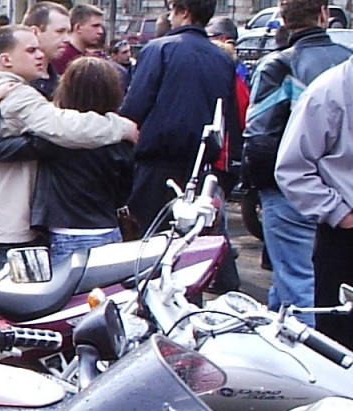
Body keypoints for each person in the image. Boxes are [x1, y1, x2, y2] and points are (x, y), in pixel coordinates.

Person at [0, 24, 137, 272]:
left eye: (39, 49)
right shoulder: (18, 95)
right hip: (11, 230)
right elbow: (63, 126)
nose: (41, 55)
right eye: (31, 50)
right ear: (6, 60)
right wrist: (121, 127)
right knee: (25, 297)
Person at [244, 0, 352, 323]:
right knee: (296, 285)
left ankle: (304, 351)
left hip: (292, 190)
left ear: (282, 18)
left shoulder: (277, 65)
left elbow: (259, 136)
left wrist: (259, 186)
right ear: (324, 14)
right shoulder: (344, 62)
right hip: (336, 196)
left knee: (299, 286)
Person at [0, 57, 133, 259]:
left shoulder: (55, 139)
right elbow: (124, 191)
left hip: (67, 231)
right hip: (108, 228)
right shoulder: (122, 135)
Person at [120, 0, 240, 233]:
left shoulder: (159, 49)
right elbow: (228, 116)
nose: (169, 16)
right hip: (200, 165)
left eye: (172, 10)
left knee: (149, 238)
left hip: (155, 165)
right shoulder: (222, 58)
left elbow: (135, 108)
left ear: (184, 12)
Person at [275, 55, 353, 347]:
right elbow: (292, 169)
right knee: (342, 342)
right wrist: (340, 214)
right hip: (345, 243)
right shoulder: (329, 91)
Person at [23, 2, 71, 99]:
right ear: (35, 32)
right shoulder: (14, 82)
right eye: (60, 31)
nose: (67, 39)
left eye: (68, 32)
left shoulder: (62, 84)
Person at [52, 3, 105, 75]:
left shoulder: (90, 57)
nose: (100, 31)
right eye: (95, 26)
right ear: (78, 27)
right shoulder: (60, 56)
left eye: (101, 26)